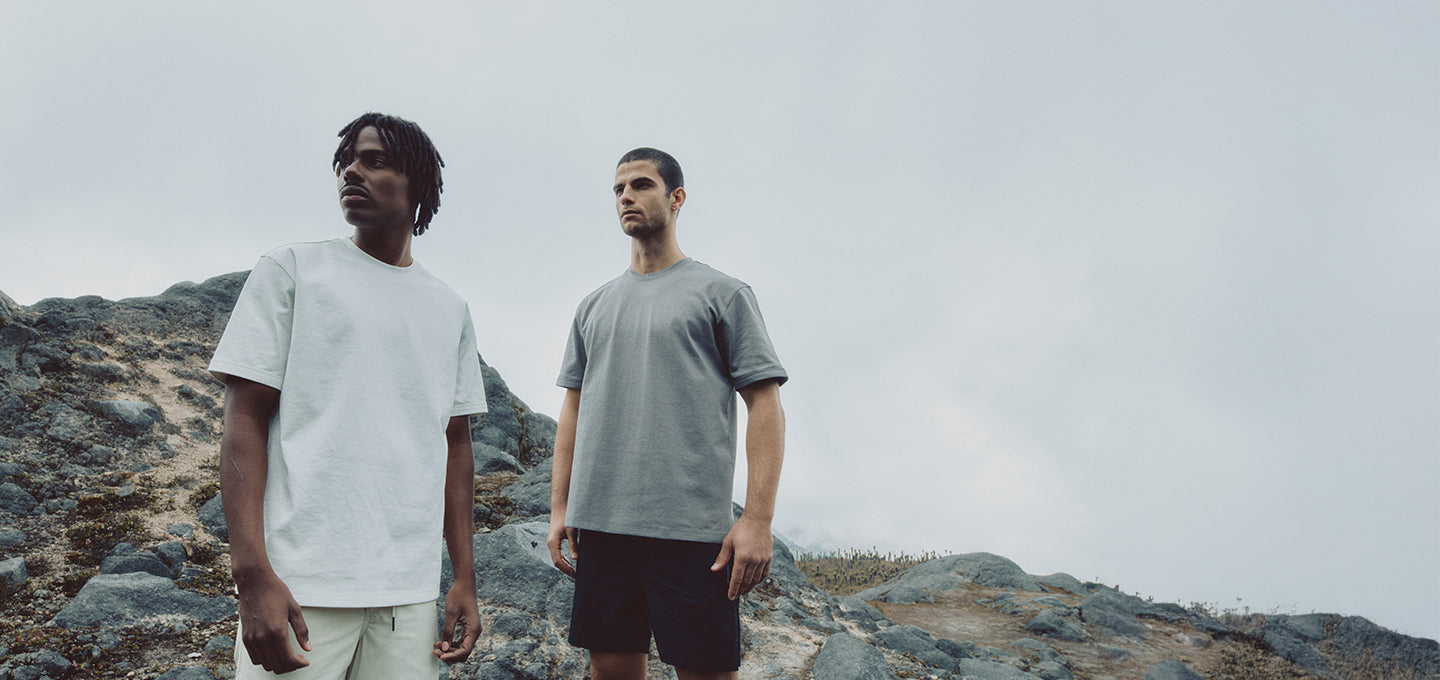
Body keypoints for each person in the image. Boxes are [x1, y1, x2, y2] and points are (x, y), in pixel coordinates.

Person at [209, 112, 485, 678]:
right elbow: (243, 422)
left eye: (374, 161)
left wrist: (464, 578)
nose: (351, 172)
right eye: (347, 162)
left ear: (418, 185)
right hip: (300, 588)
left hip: (408, 599)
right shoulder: (292, 270)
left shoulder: (449, 309)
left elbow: (455, 446)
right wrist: (252, 576)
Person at [547, 147, 788, 680]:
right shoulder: (593, 306)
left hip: (692, 533)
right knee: (610, 671)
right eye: (618, 189)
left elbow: (765, 403)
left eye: (641, 185)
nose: (626, 197)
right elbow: (574, 407)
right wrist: (560, 506)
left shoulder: (722, 294)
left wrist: (757, 519)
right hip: (603, 527)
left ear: (676, 198)